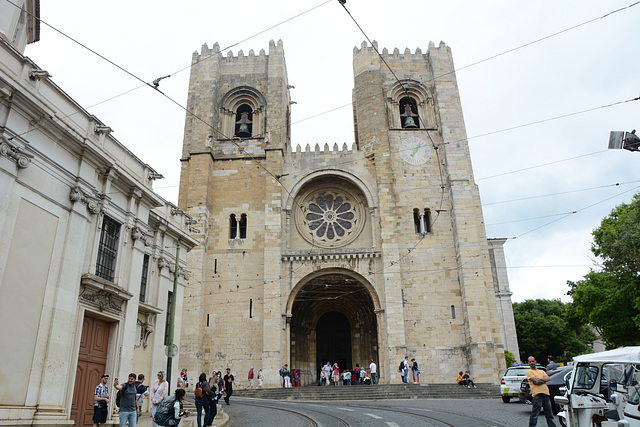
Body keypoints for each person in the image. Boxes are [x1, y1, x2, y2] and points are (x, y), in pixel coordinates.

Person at [526, 356, 557, 427]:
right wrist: (543, 379)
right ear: (528, 363)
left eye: (533, 361)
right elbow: (536, 381)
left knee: (550, 415)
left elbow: (548, 378)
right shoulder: (529, 372)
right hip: (537, 395)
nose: (531, 363)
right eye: (530, 362)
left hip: (546, 394)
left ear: (535, 362)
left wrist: (539, 380)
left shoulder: (541, 371)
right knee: (535, 415)